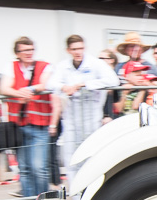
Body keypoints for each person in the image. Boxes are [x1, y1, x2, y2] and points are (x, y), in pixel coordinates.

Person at [0, 36, 58, 200]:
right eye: (25, 50)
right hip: (19, 125)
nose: (29, 53)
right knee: (24, 168)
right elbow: (3, 88)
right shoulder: (11, 67)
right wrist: (19, 93)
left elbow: (46, 83)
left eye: (31, 49)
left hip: (40, 125)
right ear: (17, 53)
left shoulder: (44, 66)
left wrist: (29, 90)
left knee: (39, 167)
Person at [49, 35, 118, 179]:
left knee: (92, 157)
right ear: (68, 50)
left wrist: (84, 84)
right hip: (71, 120)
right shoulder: (63, 66)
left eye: (80, 48)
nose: (77, 52)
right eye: (74, 49)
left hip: (92, 119)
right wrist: (64, 87)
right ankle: (77, 199)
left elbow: (113, 80)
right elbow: (50, 84)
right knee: (71, 159)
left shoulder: (96, 63)